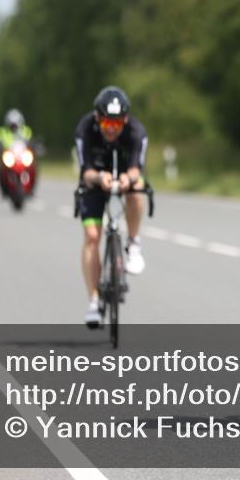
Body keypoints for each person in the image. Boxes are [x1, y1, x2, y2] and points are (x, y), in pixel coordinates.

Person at [74, 86, 149, 328]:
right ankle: (93, 302)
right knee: (92, 236)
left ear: (125, 120)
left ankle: (134, 244)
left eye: (116, 125)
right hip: (95, 179)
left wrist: (128, 178)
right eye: (106, 124)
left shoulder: (137, 131)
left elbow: (137, 167)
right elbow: (85, 171)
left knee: (138, 190)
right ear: (97, 118)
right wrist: (99, 179)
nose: (111, 130)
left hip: (124, 175)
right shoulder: (84, 129)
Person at [0, 109, 33, 196]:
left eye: (15, 124)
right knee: (0, 169)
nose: (14, 126)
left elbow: (31, 142)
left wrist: (36, 147)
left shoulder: (25, 131)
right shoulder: (2, 131)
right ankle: (3, 188)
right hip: (8, 156)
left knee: (33, 168)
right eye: (12, 125)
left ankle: (31, 187)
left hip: (21, 156)